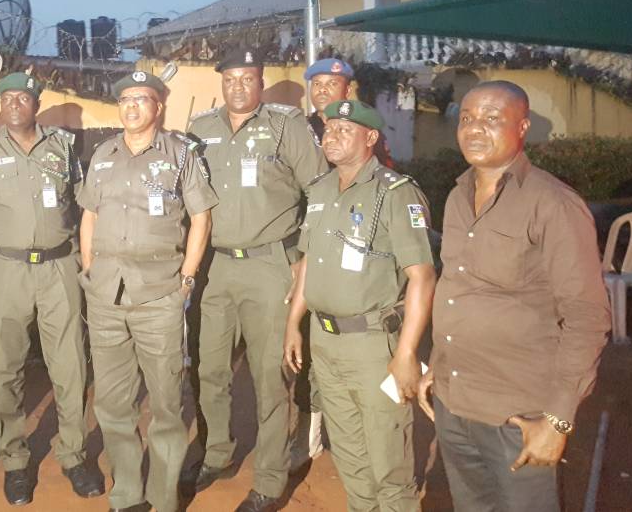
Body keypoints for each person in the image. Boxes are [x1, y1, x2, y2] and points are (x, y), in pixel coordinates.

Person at [417, 81, 610, 512]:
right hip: (456, 403)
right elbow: (459, 288)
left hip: (517, 416)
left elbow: (587, 317)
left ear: (522, 128)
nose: (474, 129)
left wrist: (558, 420)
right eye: (466, 118)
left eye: (491, 119)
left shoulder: (554, 204)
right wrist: (441, 368)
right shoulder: (456, 196)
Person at [185, 48, 326, 512]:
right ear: (221, 83)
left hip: (270, 265)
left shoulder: (287, 126)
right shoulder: (200, 129)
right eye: (231, 79)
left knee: (270, 376)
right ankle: (218, 453)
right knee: (210, 369)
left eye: (248, 79)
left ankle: (268, 479)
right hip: (216, 267)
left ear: (261, 82)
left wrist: (301, 257)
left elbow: (320, 192)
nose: (239, 87)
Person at [284, 99, 436, 512]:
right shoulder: (318, 191)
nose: (331, 137)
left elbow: (423, 276)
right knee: (350, 456)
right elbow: (307, 266)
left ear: (371, 138)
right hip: (326, 342)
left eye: (343, 130)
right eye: (328, 129)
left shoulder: (396, 193)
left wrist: (406, 353)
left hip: (373, 346)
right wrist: (293, 325)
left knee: (389, 462)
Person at [78, 70, 216, 512]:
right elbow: (89, 216)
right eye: (125, 100)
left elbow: (201, 218)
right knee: (113, 403)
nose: (132, 106)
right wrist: (89, 270)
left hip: (159, 295)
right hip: (105, 297)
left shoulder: (180, 155)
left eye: (142, 99)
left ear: (159, 106)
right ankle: (127, 495)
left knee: (166, 404)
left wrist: (187, 278)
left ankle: (163, 496)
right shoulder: (102, 153)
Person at [0, 72, 103, 505]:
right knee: (6, 366)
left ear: (36, 104)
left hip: (60, 265)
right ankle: (14, 460)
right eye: (8, 98)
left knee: (70, 364)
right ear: (0, 105)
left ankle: (74, 453)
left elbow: (83, 206)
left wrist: (86, 261)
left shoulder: (62, 147)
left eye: (24, 97)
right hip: (7, 268)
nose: (15, 104)